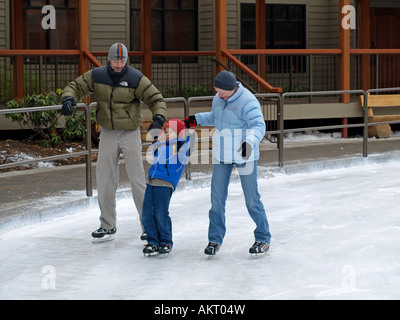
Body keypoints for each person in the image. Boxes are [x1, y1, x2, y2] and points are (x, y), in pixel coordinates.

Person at [61, 43, 167, 242]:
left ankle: (148, 226)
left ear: (127, 60)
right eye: (115, 60)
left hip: (130, 132)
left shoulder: (135, 78)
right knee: (105, 178)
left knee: (137, 179)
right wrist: (68, 98)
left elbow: (156, 99)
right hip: (108, 132)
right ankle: (107, 225)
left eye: (122, 60)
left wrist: (159, 117)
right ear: (108, 60)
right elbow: (75, 86)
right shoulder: (97, 75)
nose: (119, 64)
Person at [185, 70, 271, 256]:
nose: (219, 94)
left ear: (233, 88)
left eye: (222, 92)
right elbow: (215, 117)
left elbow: (258, 125)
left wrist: (249, 143)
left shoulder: (247, 101)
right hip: (222, 155)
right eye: (217, 91)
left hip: (244, 155)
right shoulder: (219, 98)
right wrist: (194, 120)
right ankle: (214, 240)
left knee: (252, 200)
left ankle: (263, 237)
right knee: (216, 200)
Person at [142, 119, 194, 255]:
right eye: (166, 131)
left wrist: (186, 135)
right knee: (147, 213)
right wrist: (155, 132)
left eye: (171, 131)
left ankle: (165, 241)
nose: (168, 133)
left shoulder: (181, 146)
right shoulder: (162, 145)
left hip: (165, 183)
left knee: (160, 212)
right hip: (152, 181)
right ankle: (152, 241)